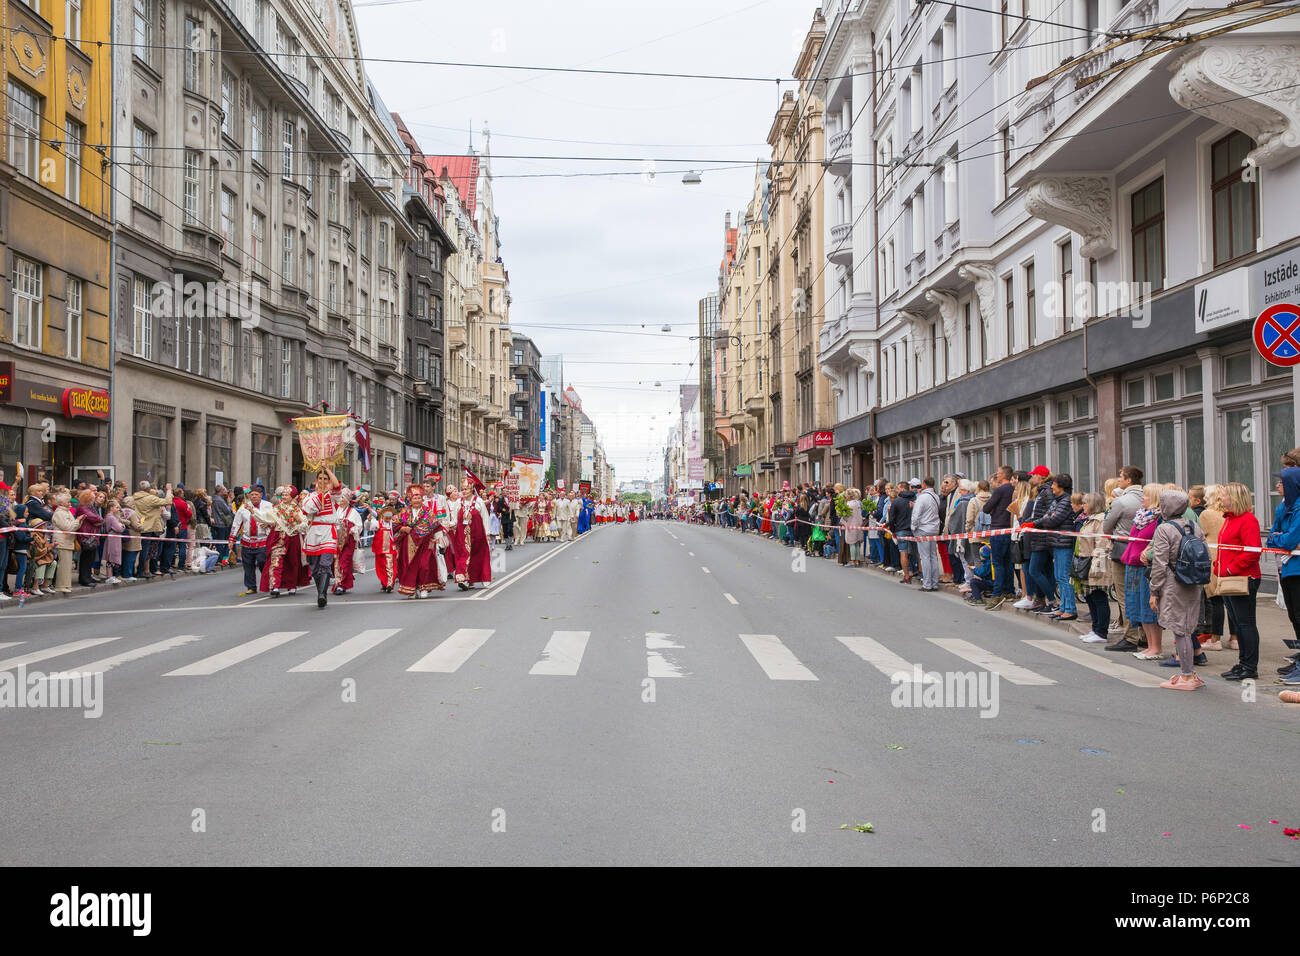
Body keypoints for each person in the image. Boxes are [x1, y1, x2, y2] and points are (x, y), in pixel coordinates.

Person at [1147, 488, 1208, 691]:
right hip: (1193, 581)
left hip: (1174, 583)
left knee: (1180, 630)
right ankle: (1189, 672)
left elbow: (1159, 562)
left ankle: (1187, 676)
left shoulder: (1164, 529)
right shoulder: (1193, 525)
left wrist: (1154, 591)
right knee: (1188, 627)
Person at [1103, 466, 1145, 651]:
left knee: (1124, 594)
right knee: (1143, 594)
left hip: (1122, 550)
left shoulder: (1121, 501)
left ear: (1129, 480)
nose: (1119, 480)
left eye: (1121, 477)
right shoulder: (1147, 497)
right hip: (1144, 551)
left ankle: (1130, 636)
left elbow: (1107, 526)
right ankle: (1144, 635)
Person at [1264, 471, 1300, 683]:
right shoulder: (1284, 507)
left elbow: (1288, 541)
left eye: (1282, 482)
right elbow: (1271, 538)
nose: (1278, 485)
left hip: (1297, 569)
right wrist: (1280, 539)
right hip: (1285, 568)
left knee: (1299, 613)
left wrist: (1281, 539)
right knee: (1293, 616)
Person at [300, 466, 352, 608]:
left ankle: (322, 594)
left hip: (328, 531)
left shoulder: (333, 495)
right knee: (315, 567)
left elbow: (336, 486)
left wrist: (327, 469)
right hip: (314, 532)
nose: (323, 481)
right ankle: (320, 592)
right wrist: (320, 495)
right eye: (321, 479)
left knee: (325, 563)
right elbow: (309, 509)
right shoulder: (309, 497)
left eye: (326, 479)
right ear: (316, 480)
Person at [394, 485, 450, 599]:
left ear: (422, 499)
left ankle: (424, 588)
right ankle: (412, 589)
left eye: (419, 498)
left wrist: (438, 541)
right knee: (409, 566)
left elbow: (436, 526)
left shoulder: (428, 512)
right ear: (410, 499)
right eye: (414, 498)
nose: (417, 500)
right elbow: (395, 524)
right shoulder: (405, 512)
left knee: (424, 566)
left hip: (426, 543)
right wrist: (403, 529)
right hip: (408, 544)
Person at [1073, 493, 1112, 642]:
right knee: (1089, 596)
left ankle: (1101, 631)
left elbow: (1102, 544)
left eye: (1085, 503)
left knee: (1098, 596)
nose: (1083, 506)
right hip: (1086, 561)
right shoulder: (1089, 519)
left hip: (1096, 563)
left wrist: (1096, 567)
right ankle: (1095, 628)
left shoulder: (1100, 520)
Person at [261, 486, 309, 598]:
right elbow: (268, 518)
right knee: (276, 561)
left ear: (292, 497)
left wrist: (298, 520)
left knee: (292, 562)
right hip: (278, 538)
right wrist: (253, 512)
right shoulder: (276, 509)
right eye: (283, 495)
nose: (284, 497)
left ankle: (291, 586)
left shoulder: (297, 510)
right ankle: (275, 585)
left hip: (293, 538)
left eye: (286, 495)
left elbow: (304, 525)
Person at [228, 485, 273, 596]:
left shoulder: (268, 506)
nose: (254, 497)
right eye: (252, 495)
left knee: (263, 563)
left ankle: (268, 583)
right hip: (247, 541)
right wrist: (232, 539)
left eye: (256, 495)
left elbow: (276, 520)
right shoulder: (243, 508)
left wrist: (268, 524)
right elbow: (236, 523)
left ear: (261, 495)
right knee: (248, 565)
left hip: (262, 540)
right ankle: (251, 587)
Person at [982, 466, 1016, 608]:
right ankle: (1009, 590)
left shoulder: (1000, 489)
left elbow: (986, 508)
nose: (997, 474)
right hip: (1009, 528)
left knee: (997, 562)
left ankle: (997, 593)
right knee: (1008, 561)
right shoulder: (1014, 489)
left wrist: (993, 509)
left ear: (1003, 475)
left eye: (999, 472)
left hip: (998, 528)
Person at [912, 477, 942, 591]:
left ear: (924, 485)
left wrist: (913, 527)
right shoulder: (936, 496)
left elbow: (916, 514)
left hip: (923, 528)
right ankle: (934, 582)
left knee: (925, 557)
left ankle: (927, 583)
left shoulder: (922, 497)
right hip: (934, 528)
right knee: (933, 556)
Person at [332, 498, 365, 595]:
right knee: (337, 562)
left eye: (342, 498)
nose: (340, 500)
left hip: (348, 541)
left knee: (345, 562)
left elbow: (359, 526)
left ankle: (342, 584)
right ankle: (338, 583)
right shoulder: (336, 510)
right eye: (340, 498)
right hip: (337, 540)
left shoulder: (353, 512)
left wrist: (352, 530)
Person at [51, 492, 80, 595]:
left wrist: (77, 522)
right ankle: (61, 585)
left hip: (68, 541)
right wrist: (77, 521)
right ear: (62, 503)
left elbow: (73, 526)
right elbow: (68, 527)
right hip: (62, 541)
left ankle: (67, 584)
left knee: (68, 565)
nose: (70, 503)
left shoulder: (67, 512)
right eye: (68, 501)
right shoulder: (59, 513)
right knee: (63, 564)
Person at [370, 505, 399, 592]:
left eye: (389, 518)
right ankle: (384, 583)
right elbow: (370, 528)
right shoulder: (378, 524)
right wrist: (369, 520)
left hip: (390, 549)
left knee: (390, 566)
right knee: (381, 567)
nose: (388, 519)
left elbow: (398, 533)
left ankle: (390, 583)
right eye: (386, 517)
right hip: (379, 550)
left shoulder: (393, 524)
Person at [210, 486, 234, 566]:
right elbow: (227, 510)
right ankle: (219, 559)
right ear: (220, 491)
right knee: (221, 542)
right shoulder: (220, 500)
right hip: (221, 522)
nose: (226, 491)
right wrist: (229, 503)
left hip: (215, 522)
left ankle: (217, 558)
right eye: (224, 489)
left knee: (217, 541)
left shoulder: (213, 498)